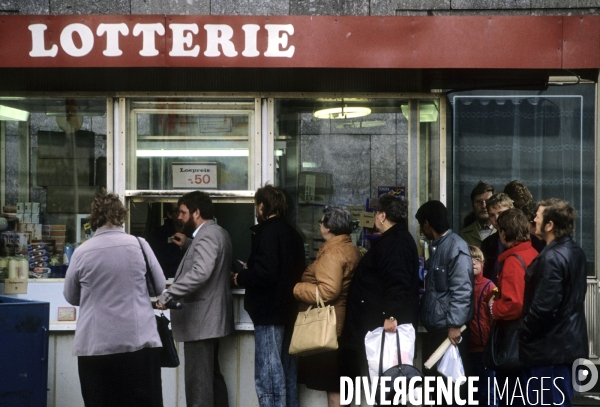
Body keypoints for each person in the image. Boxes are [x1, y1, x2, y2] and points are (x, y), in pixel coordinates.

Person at [63, 190, 166, 407]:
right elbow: (158, 286)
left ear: (94, 218)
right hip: (138, 345)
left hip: (95, 346)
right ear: (122, 215)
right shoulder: (140, 245)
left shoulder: (82, 252)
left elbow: (71, 296)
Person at [156, 191, 234, 407]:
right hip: (210, 320)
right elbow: (210, 259)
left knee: (198, 386)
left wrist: (168, 294)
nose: (178, 217)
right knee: (211, 380)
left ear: (196, 213)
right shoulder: (217, 233)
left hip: (200, 322)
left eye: (183, 212)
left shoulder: (207, 236)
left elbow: (201, 272)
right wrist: (190, 244)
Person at [233, 185, 305, 407]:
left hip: (269, 311)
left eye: (256, 205)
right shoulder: (293, 233)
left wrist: (240, 277)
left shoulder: (267, 232)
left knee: (269, 375)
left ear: (262, 206)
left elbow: (266, 272)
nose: (256, 210)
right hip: (290, 310)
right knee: (286, 372)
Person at [520, 199, 588, 407]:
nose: (534, 220)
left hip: (549, 349)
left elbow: (544, 307)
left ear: (550, 225)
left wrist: (523, 331)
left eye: (538, 217)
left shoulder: (552, 258)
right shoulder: (574, 251)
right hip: (564, 345)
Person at [343, 194, 420, 378]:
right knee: (386, 379)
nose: (375, 216)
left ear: (383, 216)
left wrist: (391, 315)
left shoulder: (396, 242)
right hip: (382, 322)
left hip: (388, 325)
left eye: (376, 212)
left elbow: (397, 282)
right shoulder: (396, 239)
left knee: (388, 379)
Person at [293, 207, 361, 407]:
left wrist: (298, 288)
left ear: (329, 227)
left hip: (330, 327)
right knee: (340, 387)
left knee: (335, 388)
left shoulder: (333, 252)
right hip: (342, 323)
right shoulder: (349, 247)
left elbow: (329, 291)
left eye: (321, 222)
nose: (320, 226)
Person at [416, 200, 473, 400]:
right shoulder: (438, 247)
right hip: (438, 329)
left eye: (421, 226)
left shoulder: (455, 247)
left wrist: (455, 324)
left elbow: (462, 289)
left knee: (450, 393)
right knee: (437, 392)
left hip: (448, 332)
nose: (421, 231)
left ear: (427, 224)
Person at [487, 209, 538, 407]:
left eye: (499, 230)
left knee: (510, 395)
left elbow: (514, 304)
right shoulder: (531, 253)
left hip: (513, 336)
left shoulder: (513, 260)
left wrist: (493, 308)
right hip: (528, 335)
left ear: (505, 232)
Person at [467, 245, 496, 407]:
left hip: (484, 348)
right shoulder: (462, 286)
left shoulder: (489, 286)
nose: (473, 263)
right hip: (467, 347)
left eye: (477, 259)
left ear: (483, 263)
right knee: (472, 392)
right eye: (469, 259)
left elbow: (493, 317)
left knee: (488, 392)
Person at [480, 193, 514, 284]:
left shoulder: (528, 240)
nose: (497, 218)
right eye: (492, 215)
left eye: (501, 213)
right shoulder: (487, 243)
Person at [147, 203, 185, 278]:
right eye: (178, 211)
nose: (181, 216)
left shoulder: (196, 233)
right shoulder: (158, 235)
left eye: (184, 212)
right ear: (169, 214)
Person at [460, 181, 496, 247]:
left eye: (488, 201)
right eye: (479, 202)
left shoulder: (503, 232)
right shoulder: (464, 235)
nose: (483, 206)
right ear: (473, 204)